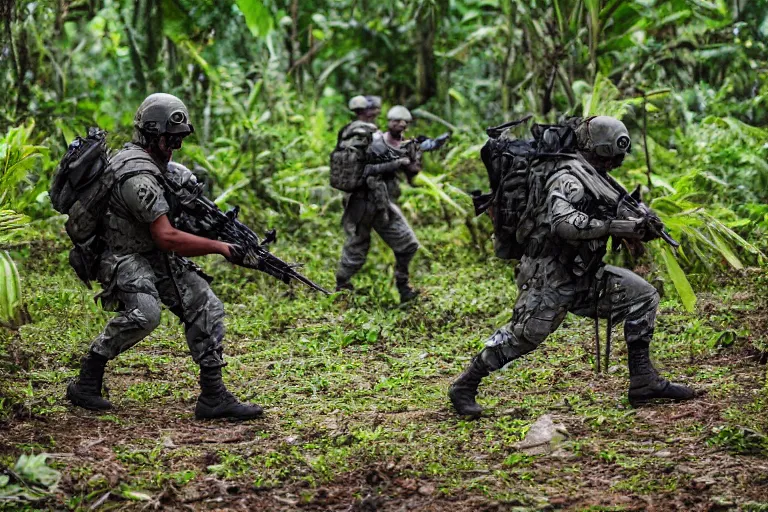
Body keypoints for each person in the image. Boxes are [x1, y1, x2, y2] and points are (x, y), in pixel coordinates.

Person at [448, 116, 696, 416]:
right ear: (599, 149)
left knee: (642, 296)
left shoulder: (596, 174)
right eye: (612, 156)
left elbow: (610, 208)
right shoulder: (568, 176)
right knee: (524, 336)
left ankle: (644, 381)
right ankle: (465, 385)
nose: (616, 162)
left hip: (584, 273)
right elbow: (562, 223)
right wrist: (615, 227)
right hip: (549, 274)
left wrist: (641, 223)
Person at [66, 93, 263, 421]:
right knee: (146, 314)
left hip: (152, 253)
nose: (175, 147)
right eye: (169, 139)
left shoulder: (158, 166)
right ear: (151, 134)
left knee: (205, 303)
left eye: (180, 139)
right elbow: (166, 236)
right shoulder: (136, 176)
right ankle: (88, 377)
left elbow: (177, 224)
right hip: (122, 255)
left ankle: (213, 396)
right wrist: (222, 248)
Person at [335, 105, 421, 303]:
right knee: (358, 247)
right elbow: (365, 170)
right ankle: (342, 287)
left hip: (378, 203)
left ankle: (402, 287)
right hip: (364, 203)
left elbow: (411, 174)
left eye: (404, 122)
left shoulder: (391, 143)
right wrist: (396, 163)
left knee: (407, 244)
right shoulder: (373, 141)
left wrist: (410, 160)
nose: (400, 125)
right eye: (396, 121)